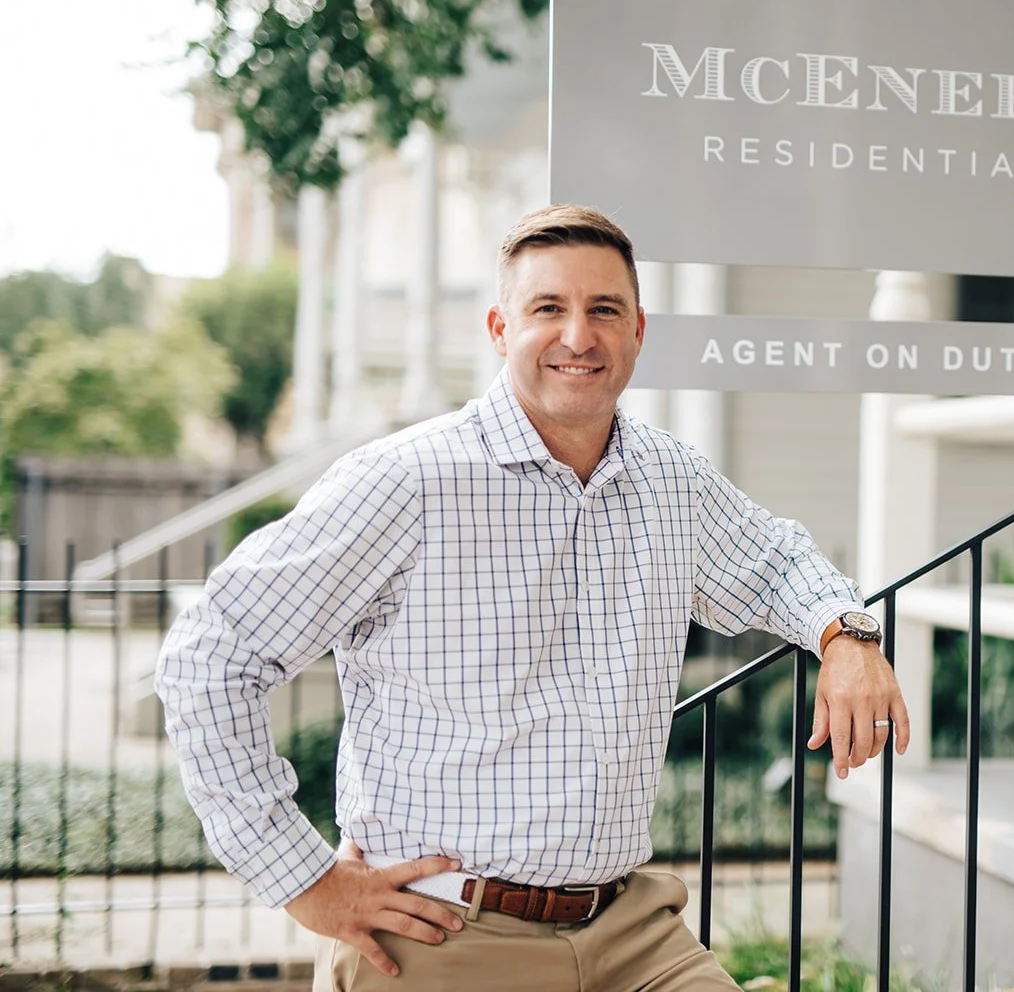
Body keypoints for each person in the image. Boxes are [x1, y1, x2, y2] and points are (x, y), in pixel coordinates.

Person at [156, 204, 911, 991]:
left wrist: (847, 634)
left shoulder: (670, 479)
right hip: (441, 933)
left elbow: (778, 562)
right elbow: (211, 654)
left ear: (638, 331)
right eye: (548, 308)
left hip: (630, 931)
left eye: (604, 310)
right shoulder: (407, 482)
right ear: (498, 328)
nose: (579, 336)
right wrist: (303, 879)